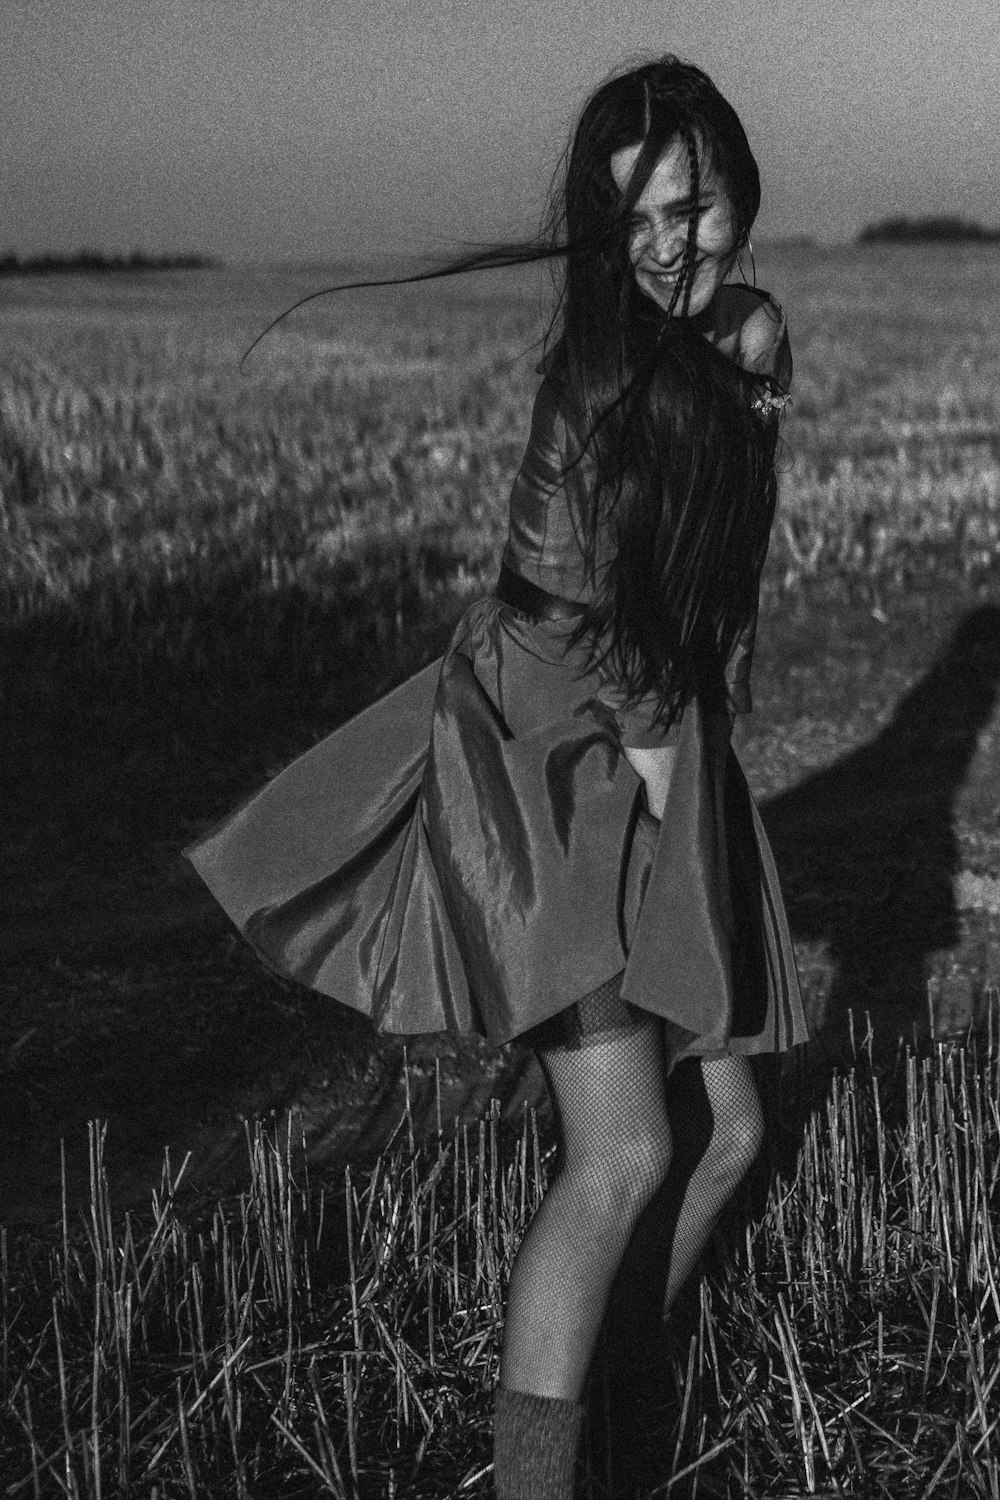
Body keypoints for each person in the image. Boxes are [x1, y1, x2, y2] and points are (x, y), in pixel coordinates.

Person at [186, 55, 809, 1500]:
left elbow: (706, 602)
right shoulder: (598, 381)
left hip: (663, 735)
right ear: (602, 238)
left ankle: (608, 1427)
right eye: (638, 223)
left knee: (736, 1134)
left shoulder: (742, 338)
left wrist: (690, 769)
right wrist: (650, 829)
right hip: (553, 769)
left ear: (737, 186)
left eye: (695, 205)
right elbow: (560, 631)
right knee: (625, 1156)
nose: (672, 246)